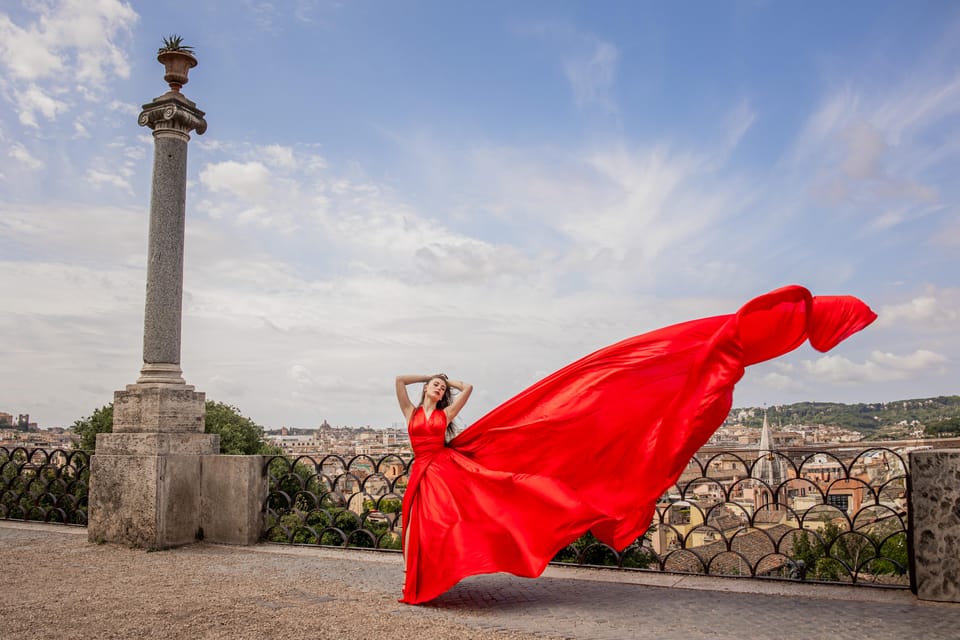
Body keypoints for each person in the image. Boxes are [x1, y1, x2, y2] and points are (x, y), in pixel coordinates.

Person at [394, 285, 878, 605]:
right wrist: (425, 377)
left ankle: (426, 583)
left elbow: (468, 387)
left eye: (441, 387)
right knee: (424, 527)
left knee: (447, 525)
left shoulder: (444, 413)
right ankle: (419, 582)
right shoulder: (413, 410)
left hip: (445, 469)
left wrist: (446, 383)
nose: (437, 389)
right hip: (426, 471)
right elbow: (399, 378)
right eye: (433, 387)